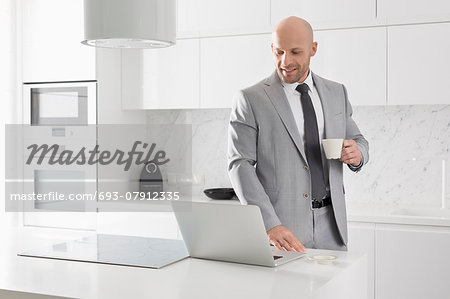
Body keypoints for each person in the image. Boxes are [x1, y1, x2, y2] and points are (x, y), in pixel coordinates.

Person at [227, 16, 369, 252]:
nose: (286, 61)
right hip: (282, 230)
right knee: (284, 290)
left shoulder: (336, 92)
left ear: (313, 49)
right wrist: (269, 224)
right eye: (279, 51)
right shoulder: (250, 99)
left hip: (333, 227)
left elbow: (359, 141)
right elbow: (238, 165)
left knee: (334, 290)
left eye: (295, 52)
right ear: (272, 48)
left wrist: (358, 154)